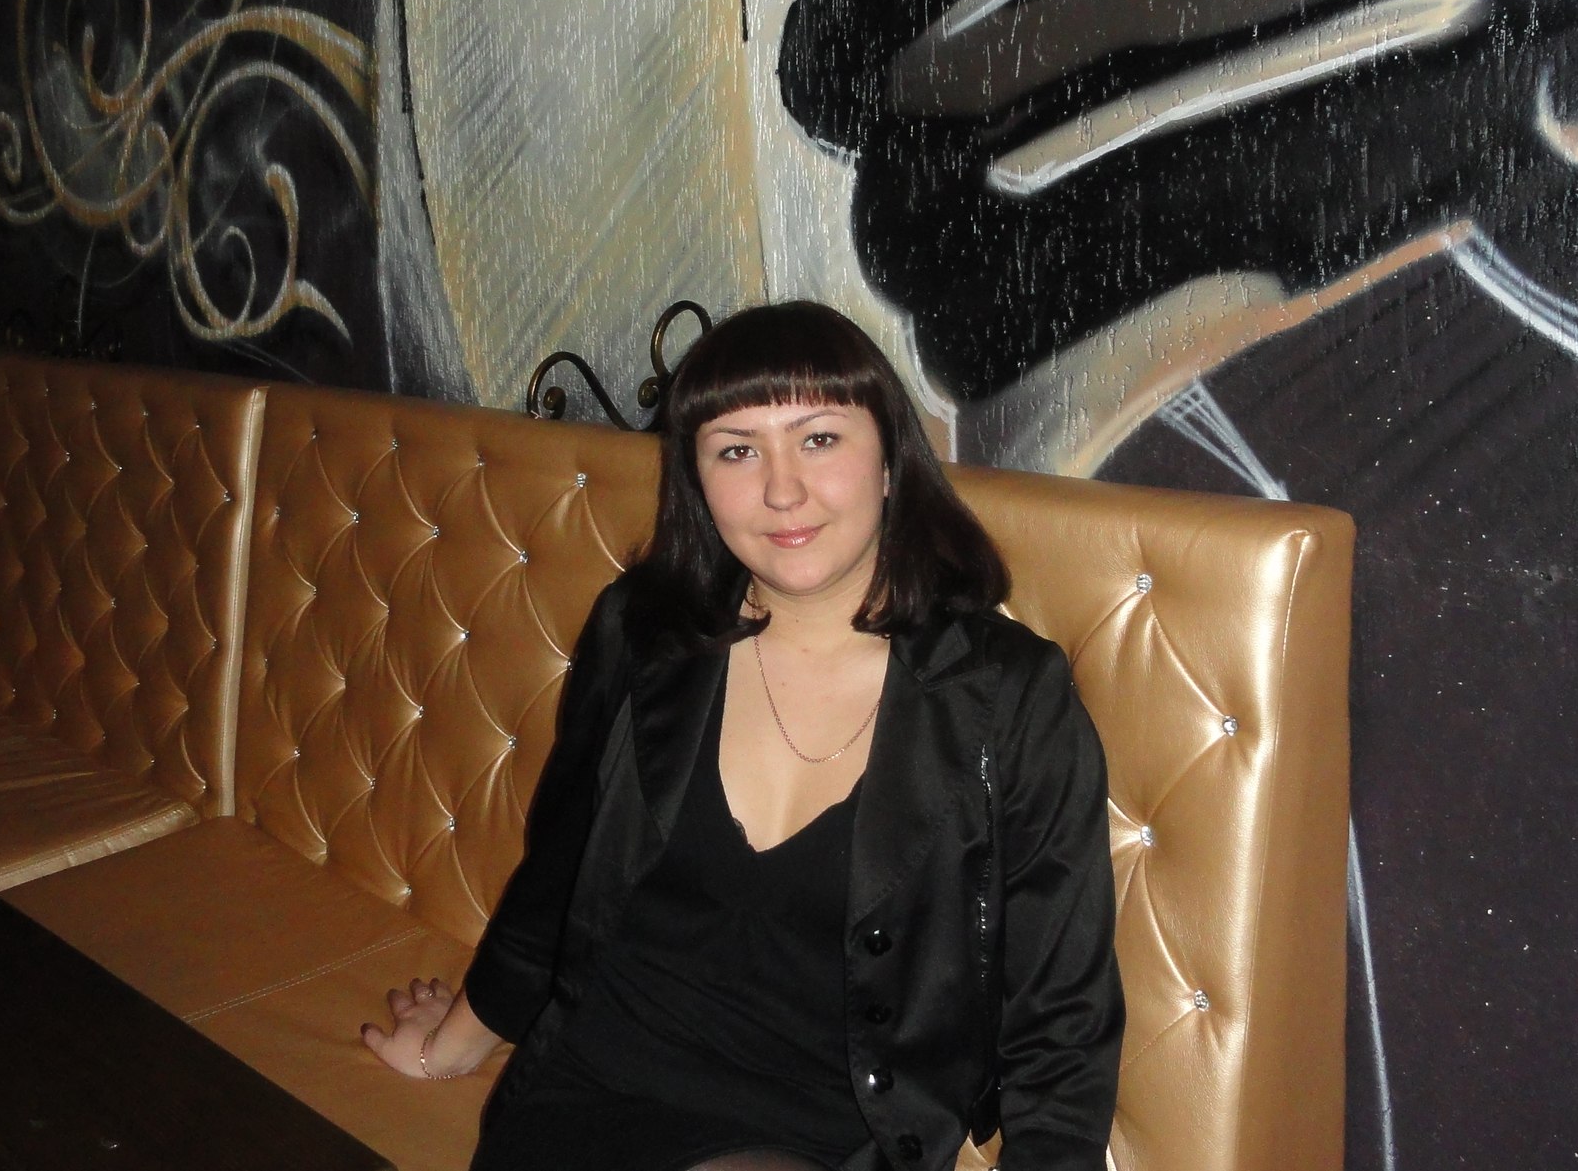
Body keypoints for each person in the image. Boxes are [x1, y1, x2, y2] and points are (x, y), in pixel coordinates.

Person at [359, 300, 1124, 1170]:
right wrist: (454, 1041)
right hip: (599, 1090)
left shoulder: (1007, 695)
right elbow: (562, 872)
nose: (781, 489)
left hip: (833, 1134)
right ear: (696, 477)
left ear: (889, 462)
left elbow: (1063, 1020)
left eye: (819, 439)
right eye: (736, 450)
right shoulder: (645, 631)